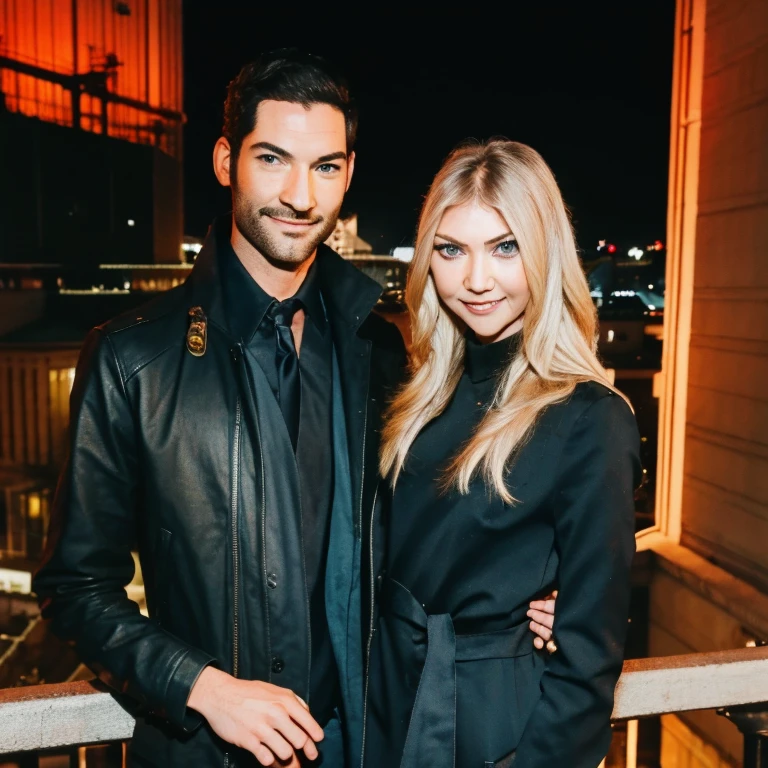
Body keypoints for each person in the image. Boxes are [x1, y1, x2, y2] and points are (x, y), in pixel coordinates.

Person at [31, 52, 555, 768]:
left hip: (366, 743)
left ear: (349, 173)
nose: (300, 196)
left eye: (326, 167)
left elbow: (423, 534)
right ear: (225, 160)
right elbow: (74, 590)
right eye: (273, 159)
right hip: (211, 752)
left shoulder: (380, 347)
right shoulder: (131, 360)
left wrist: (535, 587)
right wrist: (204, 687)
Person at [364, 139, 642, 768]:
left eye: (505, 247)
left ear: (545, 253)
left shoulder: (590, 418)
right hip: (386, 703)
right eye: (452, 249)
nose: (476, 280)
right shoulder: (418, 393)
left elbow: (588, 665)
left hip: (491, 729)